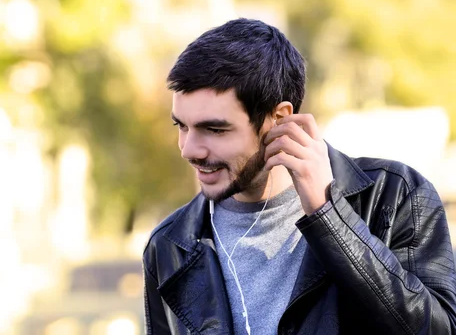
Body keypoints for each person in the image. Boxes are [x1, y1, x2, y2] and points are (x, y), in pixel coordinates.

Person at [142, 18, 456, 334]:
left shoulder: (394, 196)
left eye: (214, 129)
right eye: (181, 126)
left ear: (278, 119)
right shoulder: (169, 247)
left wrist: (329, 216)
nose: (189, 150)